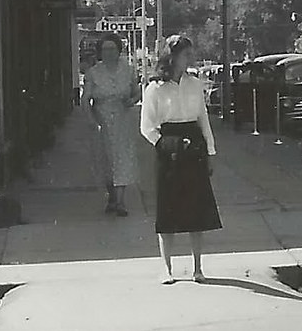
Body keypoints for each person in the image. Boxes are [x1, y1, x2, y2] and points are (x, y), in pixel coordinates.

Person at [140, 34, 222, 285]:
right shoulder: (154, 88)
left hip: (193, 143)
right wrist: (167, 144)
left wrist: (210, 151)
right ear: (172, 56)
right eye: (186, 54)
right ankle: (166, 268)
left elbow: (202, 118)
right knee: (168, 209)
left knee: (198, 208)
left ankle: (198, 267)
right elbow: (147, 127)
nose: (190, 59)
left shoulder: (195, 84)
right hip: (169, 147)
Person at [82, 33, 138, 216]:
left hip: (123, 119)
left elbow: (137, 92)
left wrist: (132, 100)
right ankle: (112, 197)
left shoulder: (128, 70)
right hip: (102, 120)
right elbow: (86, 99)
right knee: (105, 161)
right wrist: (90, 120)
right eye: (105, 49)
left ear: (119, 50)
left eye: (112, 48)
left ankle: (121, 201)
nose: (109, 52)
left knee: (122, 159)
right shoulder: (93, 73)